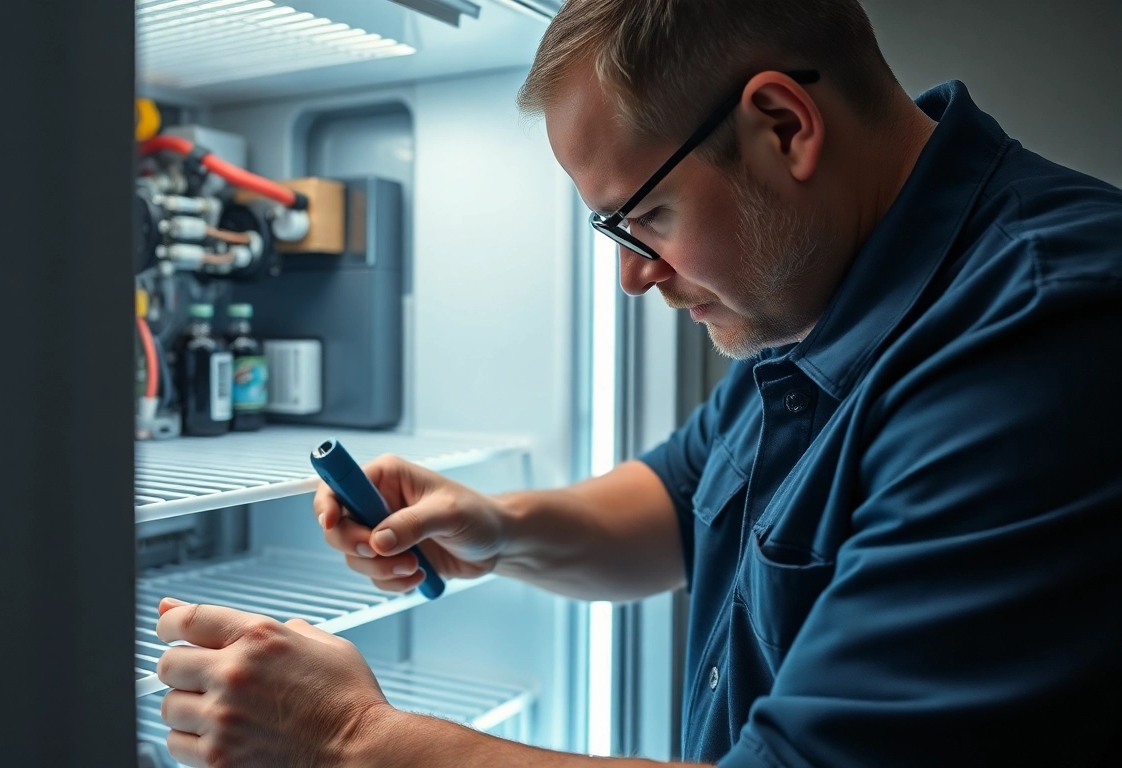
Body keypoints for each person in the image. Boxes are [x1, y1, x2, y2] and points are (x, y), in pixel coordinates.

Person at [151, 1, 1122, 765]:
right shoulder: (819, 286)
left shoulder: (1041, 338)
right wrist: (497, 527)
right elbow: (678, 502)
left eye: (644, 216)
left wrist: (348, 742)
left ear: (783, 125)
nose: (632, 275)